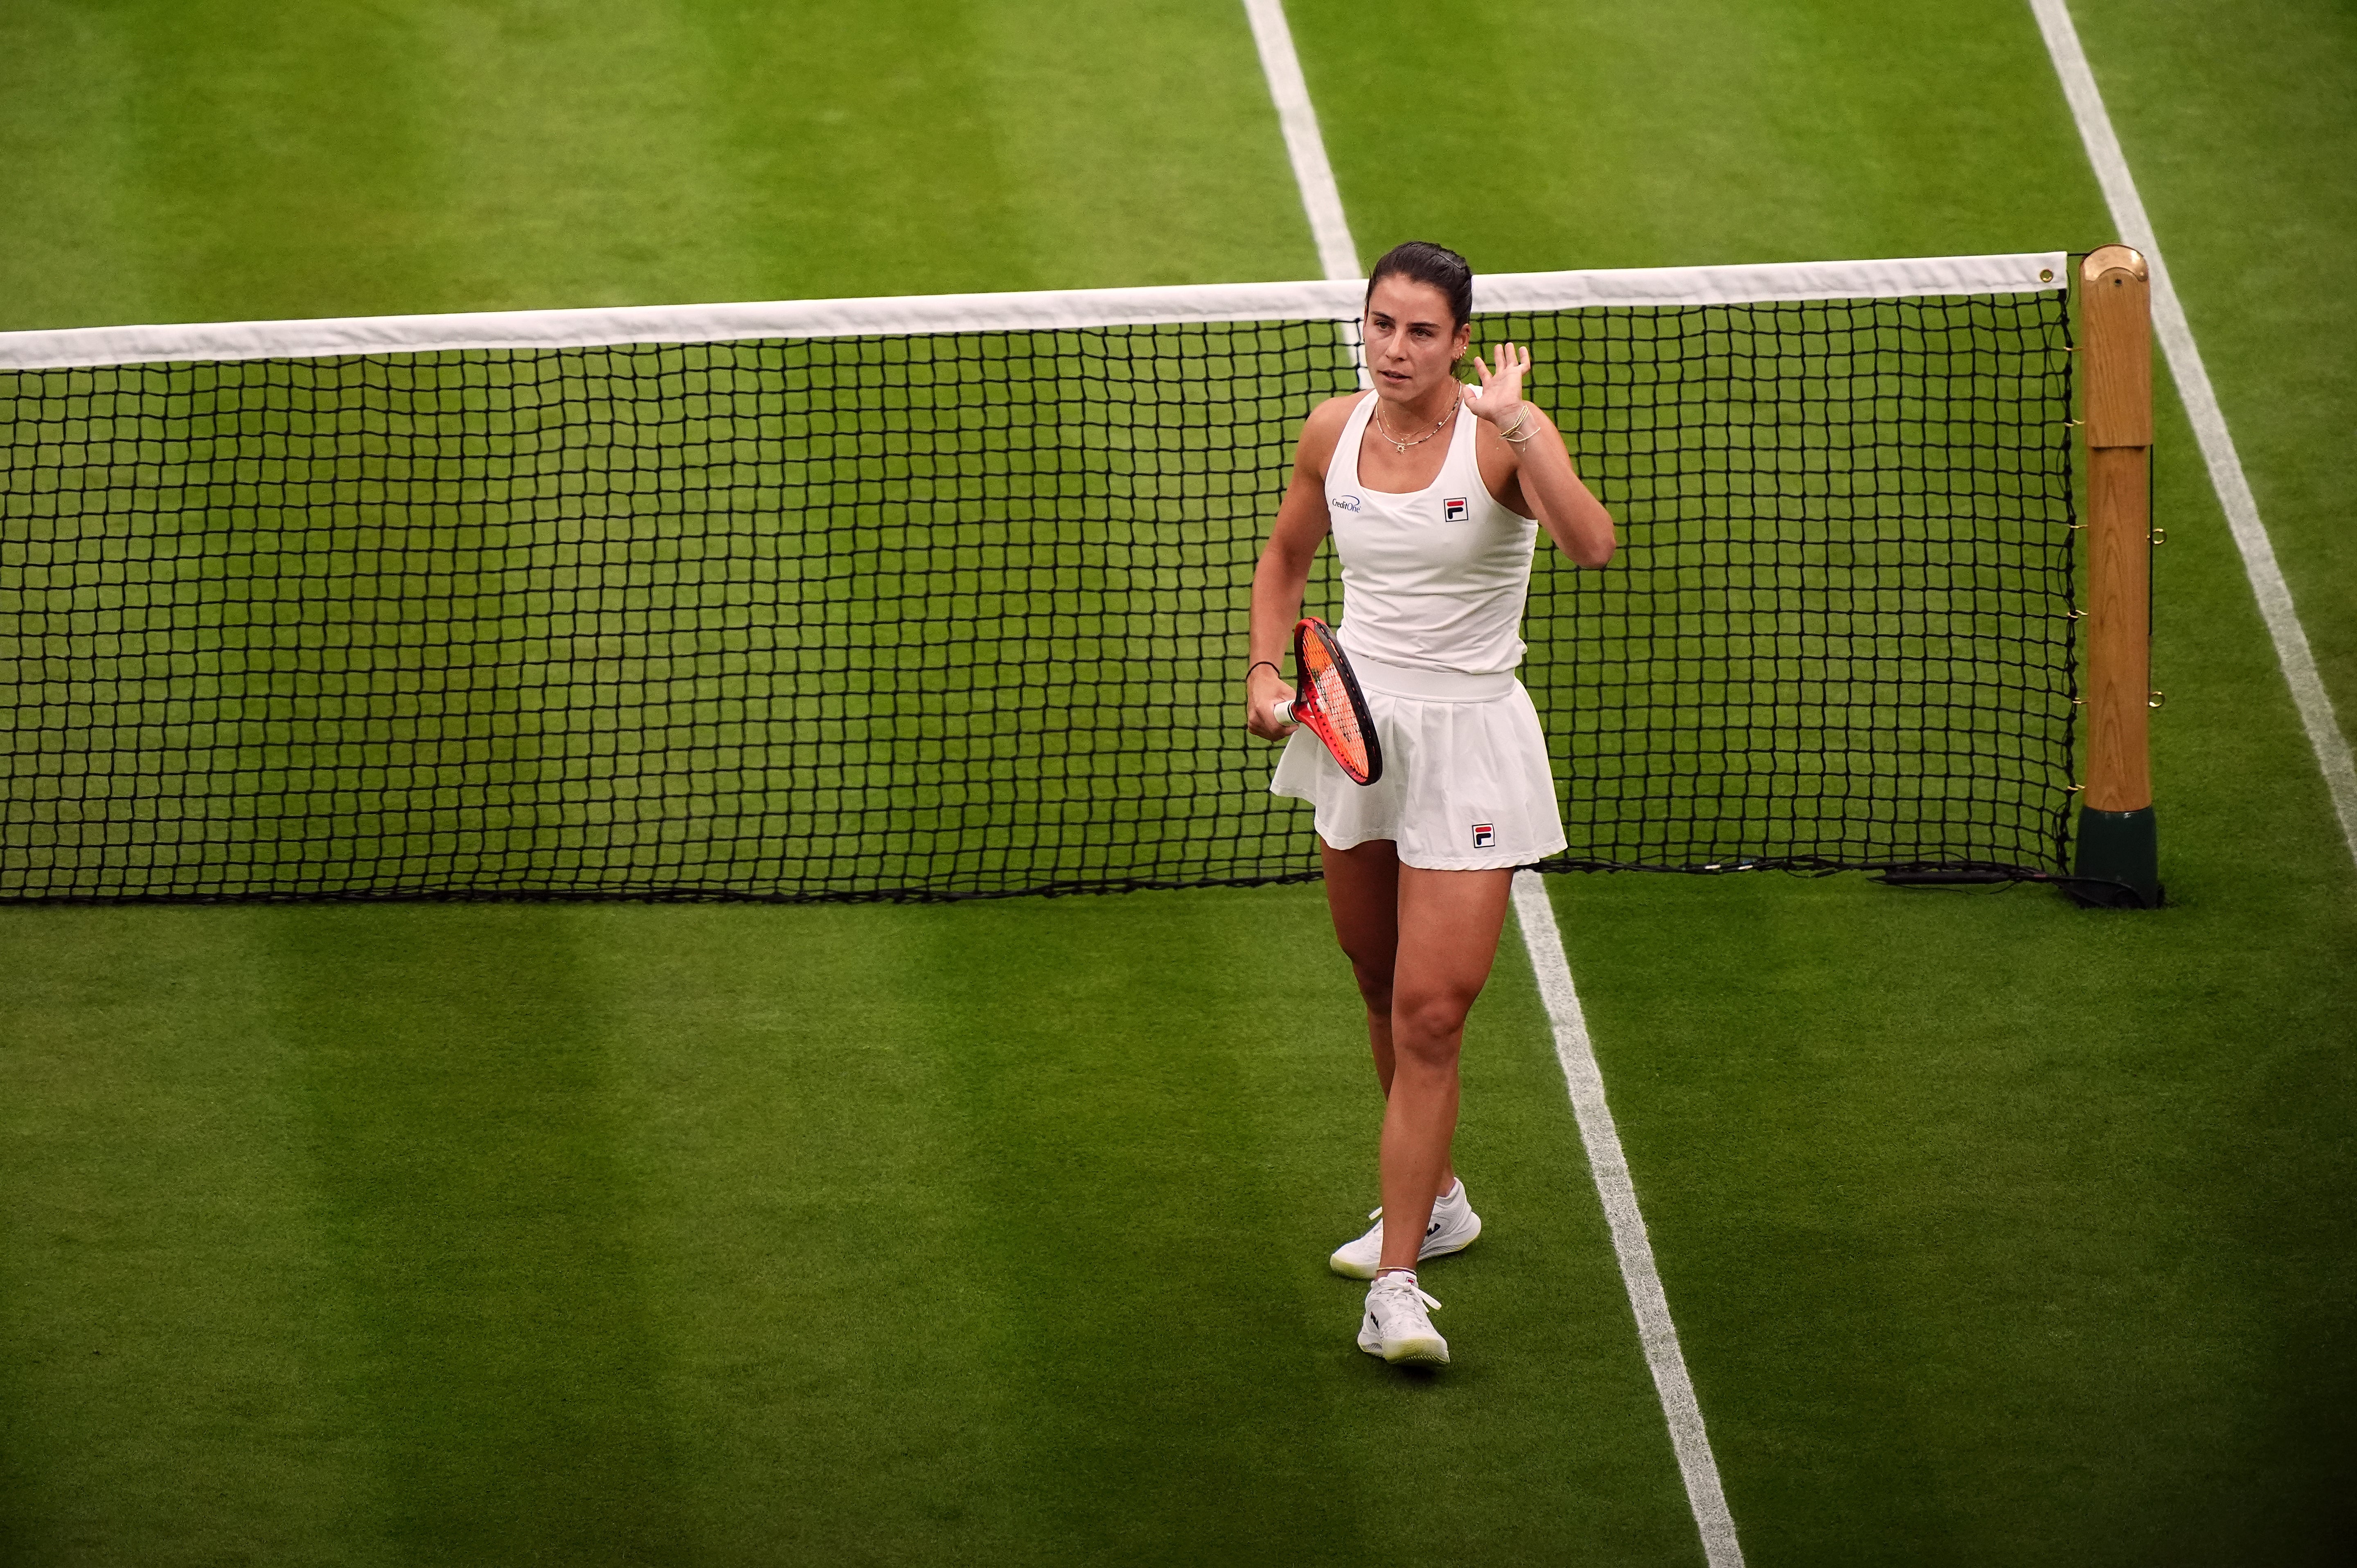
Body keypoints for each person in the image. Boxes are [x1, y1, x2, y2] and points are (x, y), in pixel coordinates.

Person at [1246, 241, 1616, 1367]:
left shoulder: (1501, 441)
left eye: (1420, 331)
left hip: (1470, 744)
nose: (1395, 349)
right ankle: (1441, 1199)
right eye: (1381, 325)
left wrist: (1523, 428)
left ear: (1462, 342)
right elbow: (1284, 562)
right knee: (1374, 977)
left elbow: (1594, 546)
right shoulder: (1332, 431)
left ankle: (1397, 1287)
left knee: (1432, 1016)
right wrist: (1269, 676)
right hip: (1357, 730)